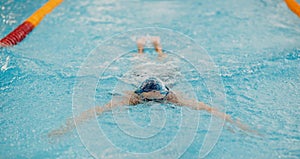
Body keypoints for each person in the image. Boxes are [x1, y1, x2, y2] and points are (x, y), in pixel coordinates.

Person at [49, 38, 253, 136]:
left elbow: (208, 109)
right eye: (150, 99)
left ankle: (157, 46)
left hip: (166, 77)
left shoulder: (173, 96)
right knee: (139, 63)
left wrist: (233, 123)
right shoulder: (134, 97)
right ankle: (142, 46)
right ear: (141, 95)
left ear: (165, 94)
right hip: (142, 76)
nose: (154, 103)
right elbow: (97, 111)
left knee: (162, 61)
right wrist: (67, 127)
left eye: (157, 99)